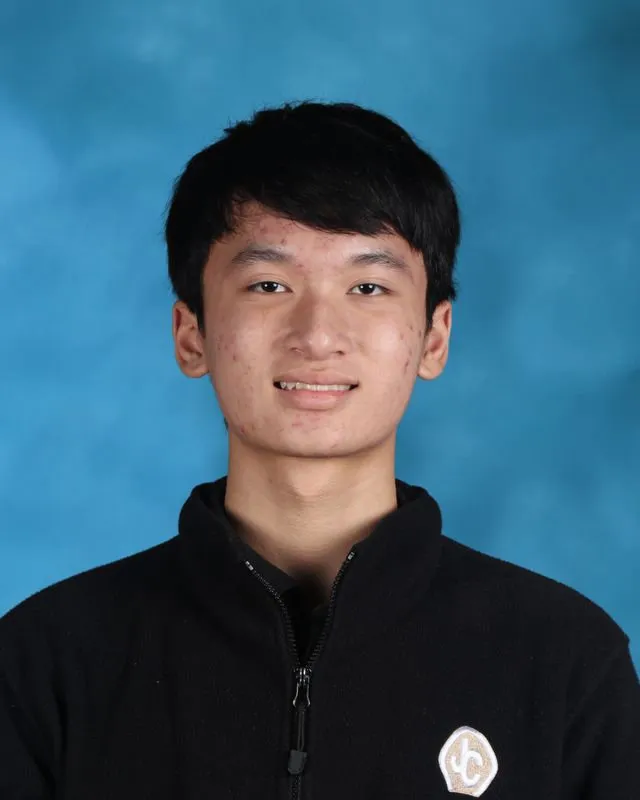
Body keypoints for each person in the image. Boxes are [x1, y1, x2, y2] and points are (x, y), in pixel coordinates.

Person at [1, 100, 638, 800]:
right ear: (191, 334)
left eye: (368, 287)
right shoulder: (45, 661)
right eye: (269, 285)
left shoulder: (565, 662)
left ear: (434, 338)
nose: (318, 334)